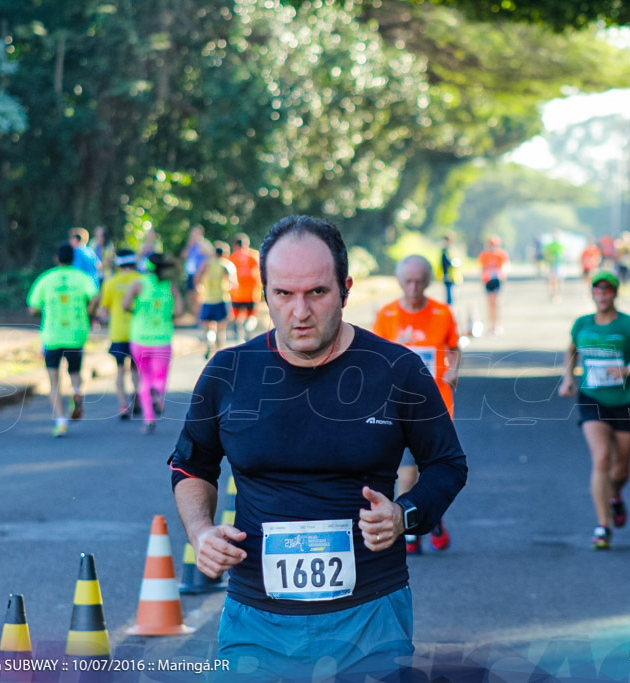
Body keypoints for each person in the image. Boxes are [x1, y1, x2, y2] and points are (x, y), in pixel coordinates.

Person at [170, 215, 468, 679]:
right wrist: (200, 532)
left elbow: (447, 464)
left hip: (370, 616)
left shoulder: (397, 370)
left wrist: (403, 515)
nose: (300, 312)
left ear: (345, 290)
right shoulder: (228, 372)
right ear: (264, 292)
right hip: (255, 619)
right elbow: (192, 466)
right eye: (283, 294)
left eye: (317, 293)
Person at [558, 271, 630, 550]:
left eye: (607, 291)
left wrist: (629, 368)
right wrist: (568, 378)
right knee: (601, 459)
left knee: (621, 472)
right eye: (597, 290)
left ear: (615, 294)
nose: (602, 295)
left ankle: (615, 496)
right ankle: (602, 525)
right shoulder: (582, 324)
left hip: (627, 402)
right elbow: (571, 350)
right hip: (592, 398)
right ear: (592, 293)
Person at [372, 254, 461, 555]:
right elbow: (376, 359)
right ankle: (410, 530)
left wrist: (453, 369)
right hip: (398, 408)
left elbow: (454, 347)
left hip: (437, 406)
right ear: (400, 281)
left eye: (419, 281)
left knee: (432, 471)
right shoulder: (386, 316)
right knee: (407, 471)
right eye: (408, 281)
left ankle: (432, 517)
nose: (413, 287)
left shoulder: (442, 313)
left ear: (427, 282)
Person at [26, 243, 99, 437]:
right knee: (75, 372)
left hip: (52, 336)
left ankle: (60, 421)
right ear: (73, 259)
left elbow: (32, 307)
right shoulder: (82, 278)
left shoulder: (46, 278)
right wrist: (89, 311)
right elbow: (95, 296)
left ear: (56, 258)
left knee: (54, 381)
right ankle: (77, 392)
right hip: (76, 334)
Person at [124, 253, 181, 435]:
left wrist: (138, 311)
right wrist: (166, 315)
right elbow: (179, 310)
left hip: (140, 337)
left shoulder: (138, 284)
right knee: (160, 376)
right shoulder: (169, 286)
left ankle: (149, 420)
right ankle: (157, 393)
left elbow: (124, 305)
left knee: (144, 378)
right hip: (162, 337)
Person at [97, 249, 142, 420]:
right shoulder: (141, 281)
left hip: (117, 333)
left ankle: (123, 405)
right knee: (137, 369)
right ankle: (138, 396)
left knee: (120, 370)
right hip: (138, 332)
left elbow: (103, 310)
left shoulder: (110, 282)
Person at [197, 241, 236, 359]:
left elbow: (197, 277)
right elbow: (232, 282)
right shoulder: (226, 265)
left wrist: (200, 288)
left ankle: (209, 342)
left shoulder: (206, 264)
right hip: (221, 299)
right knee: (221, 329)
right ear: (224, 253)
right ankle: (219, 353)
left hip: (207, 299)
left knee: (208, 328)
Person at [228, 233, 261, 341]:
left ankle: (238, 334)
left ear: (236, 245)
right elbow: (260, 271)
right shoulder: (254, 255)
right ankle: (248, 328)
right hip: (252, 293)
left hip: (236, 293)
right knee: (251, 316)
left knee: (237, 317)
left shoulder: (232, 257)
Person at [477, 235, 510, 335]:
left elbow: (505, 266)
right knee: (490, 303)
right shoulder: (484, 255)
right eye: (490, 244)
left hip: (497, 280)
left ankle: (497, 325)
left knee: (497, 302)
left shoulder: (501, 254)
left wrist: (502, 273)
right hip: (488, 280)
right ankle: (491, 325)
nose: (491, 247)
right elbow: (482, 267)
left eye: (493, 245)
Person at [182, 226, 212, 317]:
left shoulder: (204, 244)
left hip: (199, 274)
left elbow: (211, 255)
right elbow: (184, 256)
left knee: (198, 296)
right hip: (190, 274)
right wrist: (189, 244)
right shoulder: (191, 245)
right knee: (191, 297)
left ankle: (200, 318)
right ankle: (195, 317)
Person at [439, 233, 460, 306]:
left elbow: (452, 262)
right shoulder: (444, 251)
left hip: (451, 274)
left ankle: (450, 307)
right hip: (446, 274)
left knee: (450, 292)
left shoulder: (450, 251)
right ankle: (449, 306)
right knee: (448, 292)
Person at [544, 231, 565, 301]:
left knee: (559, 280)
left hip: (559, 265)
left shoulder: (561, 245)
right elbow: (546, 255)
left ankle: (558, 294)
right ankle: (554, 294)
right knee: (553, 280)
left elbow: (563, 255)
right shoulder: (549, 245)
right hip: (552, 265)